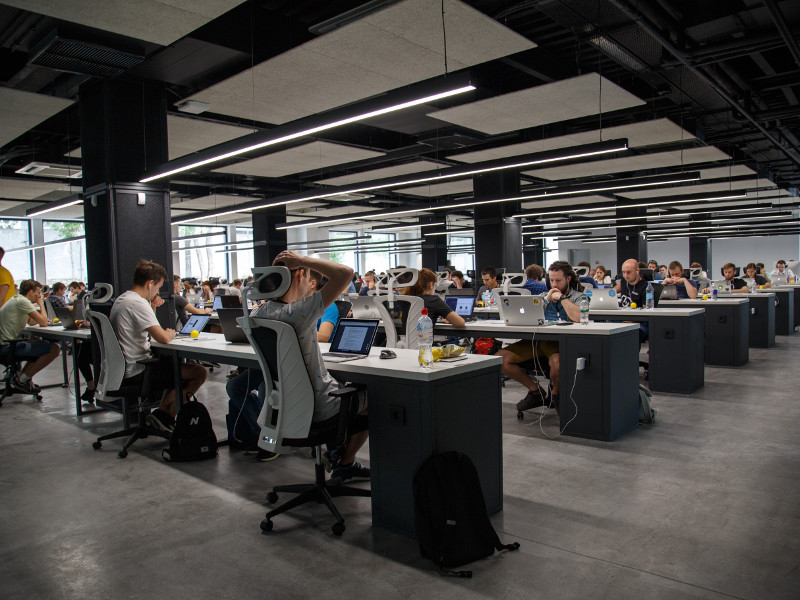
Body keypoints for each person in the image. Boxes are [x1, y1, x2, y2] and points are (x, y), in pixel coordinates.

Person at [257, 250, 369, 480]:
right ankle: (345, 462)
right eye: (308, 277)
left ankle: (336, 452)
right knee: (374, 395)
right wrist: (303, 261)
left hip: (285, 409)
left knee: (342, 388)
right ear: (299, 277)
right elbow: (346, 273)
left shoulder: (260, 313)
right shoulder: (298, 312)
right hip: (319, 409)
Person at [110, 260, 207, 432]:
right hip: (138, 370)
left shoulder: (124, 299)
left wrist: (152, 306)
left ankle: (162, 416)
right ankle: (165, 415)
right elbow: (162, 337)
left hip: (124, 368)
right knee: (199, 372)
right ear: (150, 284)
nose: (158, 292)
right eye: (158, 287)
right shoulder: (137, 303)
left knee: (173, 367)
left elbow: (146, 328)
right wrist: (171, 333)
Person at [496, 261, 583, 412]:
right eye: (552, 280)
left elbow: (579, 317)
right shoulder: (544, 296)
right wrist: (547, 299)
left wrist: (562, 298)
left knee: (557, 363)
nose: (554, 284)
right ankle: (535, 391)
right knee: (501, 359)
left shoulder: (579, 297)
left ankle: (556, 394)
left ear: (568, 279)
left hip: (561, 343)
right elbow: (528, 314)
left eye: (558, 280)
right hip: (539, 342)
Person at [0, 279, 61, 393]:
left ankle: (21, 378)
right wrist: (41, 304)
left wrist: (40, 319)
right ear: (30, 292)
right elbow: (43, 323)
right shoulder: (23, 302)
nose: (39, 295)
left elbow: (32, 321)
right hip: (6, 347)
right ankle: (22, 380)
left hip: (4, 344)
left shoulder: (16, 299)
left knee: (37, 342)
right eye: (38, 292)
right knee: (54, 349)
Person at [615, 259, 650, 343]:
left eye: (628, 272)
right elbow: (610, 293)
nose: (625, 275)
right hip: (622, 318)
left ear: (637, 271)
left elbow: (646, 313)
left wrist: (632, 321)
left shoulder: (645, 287)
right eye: (623, 272)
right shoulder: (623, 282)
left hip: (638, 322)